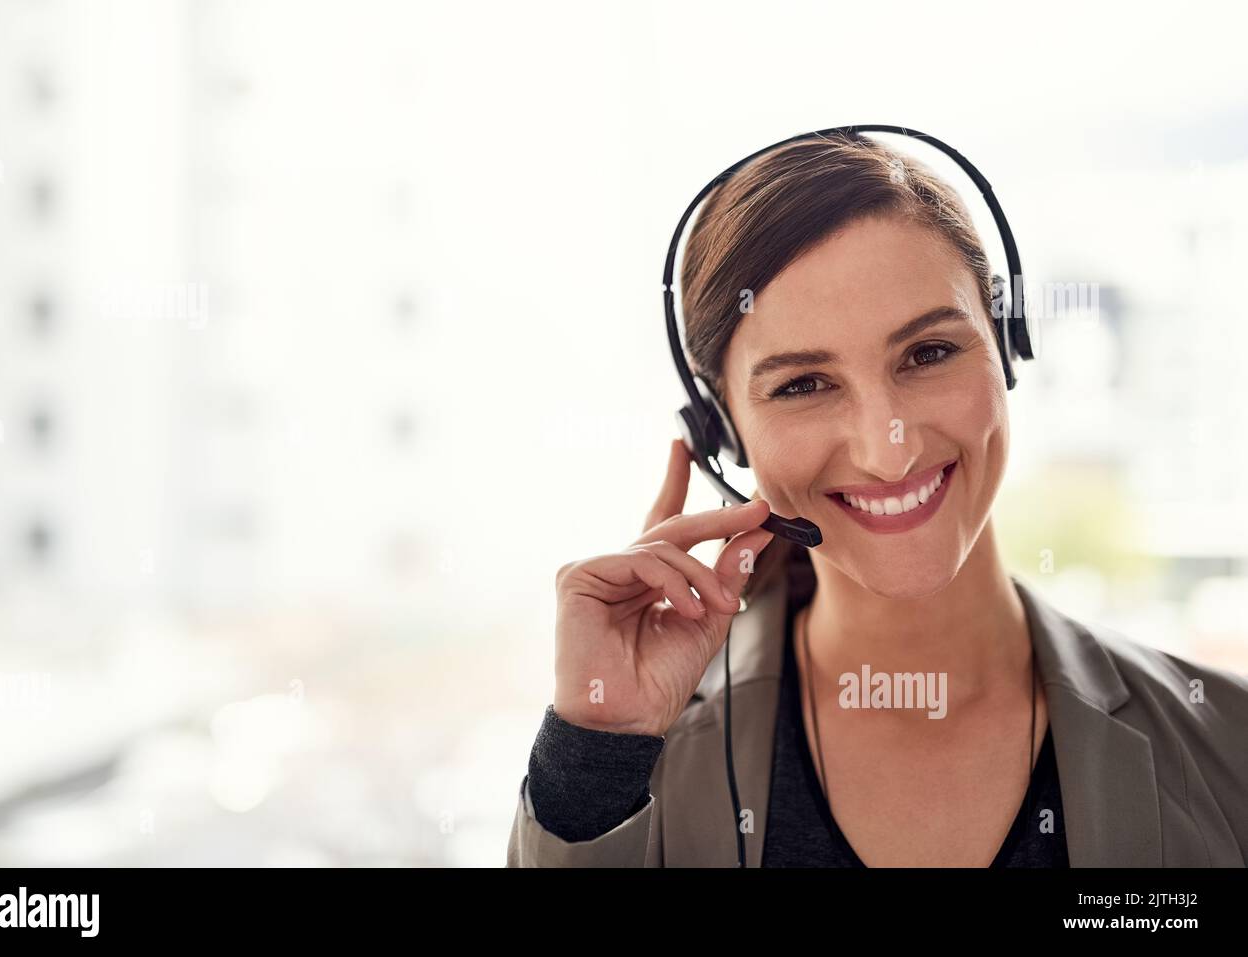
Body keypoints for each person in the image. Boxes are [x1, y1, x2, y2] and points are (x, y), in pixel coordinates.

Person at [506, 133, 1248, 867]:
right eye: (802, 384)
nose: (886, 450)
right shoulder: (636, 766)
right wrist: (596, 754)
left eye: (928, 353)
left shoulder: (1229, 743)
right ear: (724, 434)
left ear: (1006, 347)